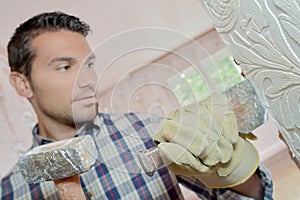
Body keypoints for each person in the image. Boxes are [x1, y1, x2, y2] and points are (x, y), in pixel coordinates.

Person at [0, 11, 273, 199]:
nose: (88, 80)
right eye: (65, 66)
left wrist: (231, 171)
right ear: (22, 84)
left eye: (90, 65)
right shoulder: (10, 192)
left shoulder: (148, 131)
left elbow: (253, 197)